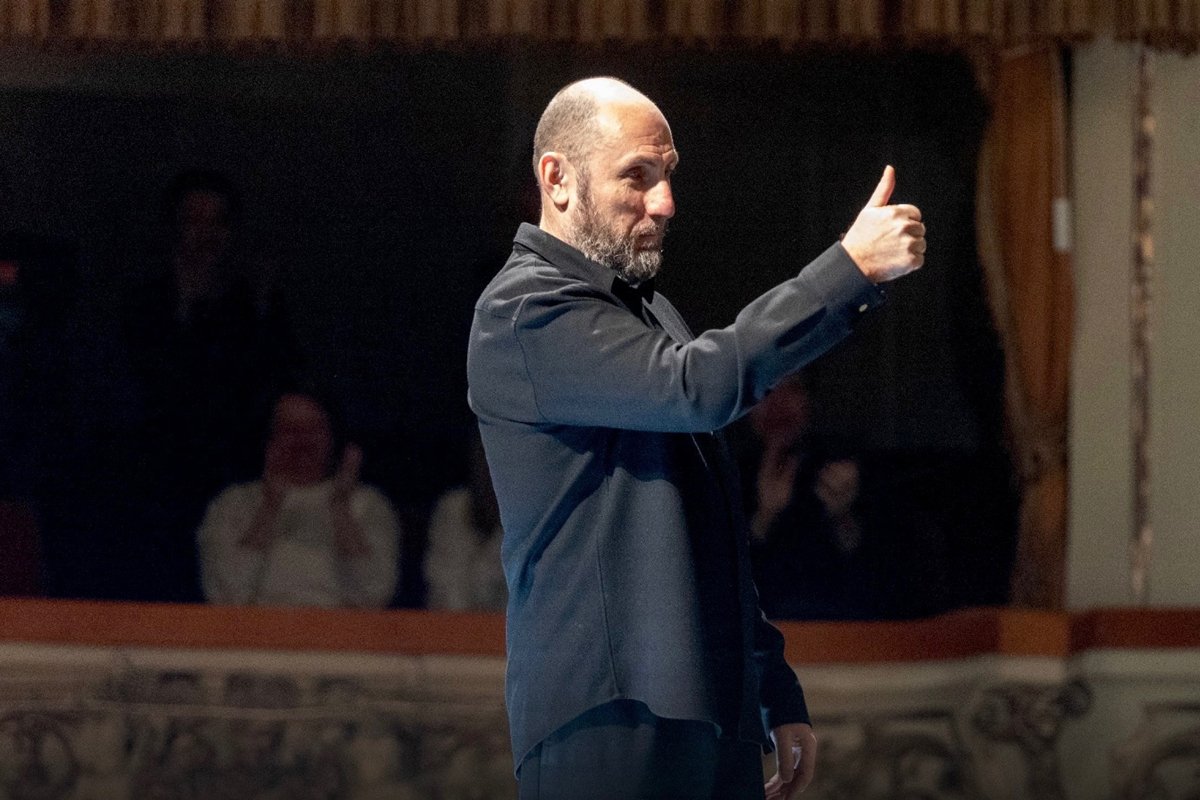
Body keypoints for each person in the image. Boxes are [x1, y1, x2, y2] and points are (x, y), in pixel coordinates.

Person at [467, 77, 925, 799]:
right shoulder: (524, 308)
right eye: (637, 176)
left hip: (705, 706)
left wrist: (772, 685)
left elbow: (705, 526)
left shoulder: (647, 313)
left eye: (668, 174)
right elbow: (697, 387)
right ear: (557, 178)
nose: (665, 202)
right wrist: (849, 270)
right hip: (607, 711)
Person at [196, 392, 400, 608]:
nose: (302, 439)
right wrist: (270, 506)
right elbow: (225, 595)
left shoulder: (369, 504)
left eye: (314, 429)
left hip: (338, 627)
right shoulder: (234, 503)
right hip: (258, 627)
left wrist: (340, 506)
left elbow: (374, 595)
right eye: (288, 429)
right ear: (269, 439)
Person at [423, 431, 507, 611]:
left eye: (496, 459)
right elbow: (441, 586)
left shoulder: (524, 520)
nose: (488, 470)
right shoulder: (451, 509)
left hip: (503, 626)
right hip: (452, 624)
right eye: (483, 458)